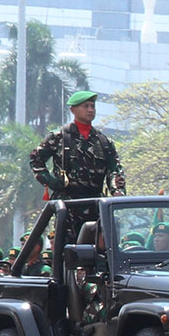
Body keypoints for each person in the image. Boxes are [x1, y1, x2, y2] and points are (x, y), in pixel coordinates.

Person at [29, 90, 126, 240]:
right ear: (73, 110)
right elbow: (36, 159)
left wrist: (117, 191)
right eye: (85, 106)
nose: (90, 110)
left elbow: (115, 169)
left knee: (98, 247)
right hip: (68, 204)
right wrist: (51, 181)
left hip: (95, 202)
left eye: (93, 106)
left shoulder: (103, 141)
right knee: (67, 248)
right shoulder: (59, 137)